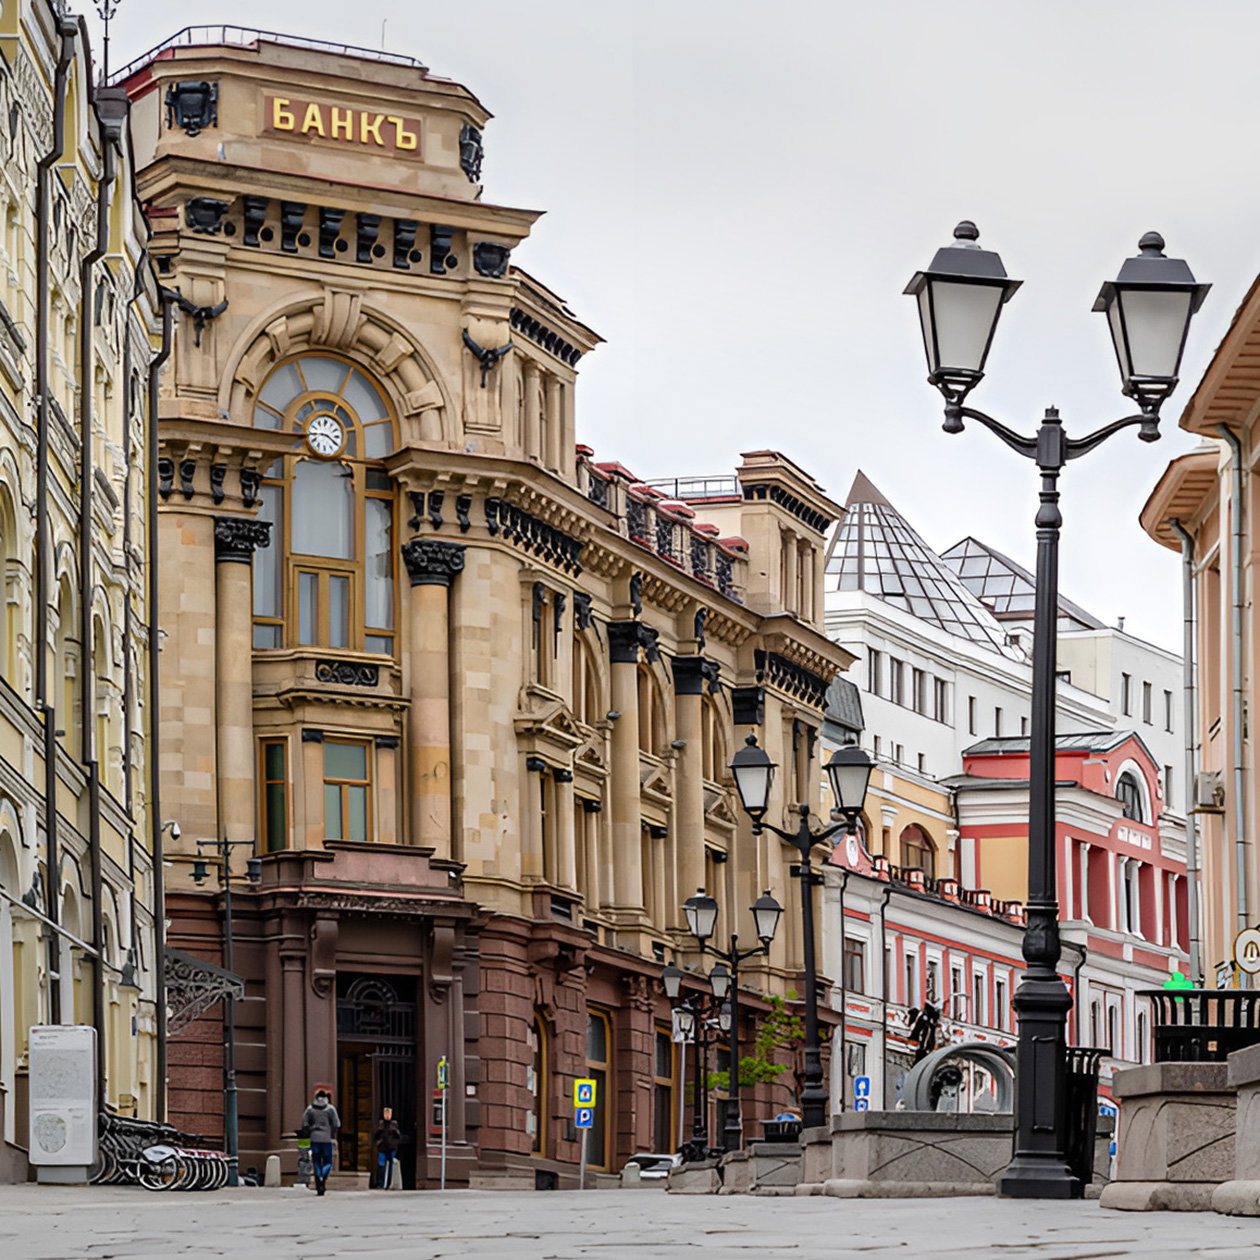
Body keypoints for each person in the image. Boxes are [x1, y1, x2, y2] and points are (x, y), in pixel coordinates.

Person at [301, 1089, 341, 1196]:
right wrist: (332, 1134)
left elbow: (304, 1123)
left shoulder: (310, 1109)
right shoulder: (330, 1109)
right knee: (328, 1162)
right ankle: (323, 1175)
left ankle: (318, 1176)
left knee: (316, 1161)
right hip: (326, 1139)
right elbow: (336, 1124)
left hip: (314, 1138)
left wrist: (310, 1131)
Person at [374, 1106, 402, 1189]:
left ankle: (389, 1183)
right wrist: (378, 1142)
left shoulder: (394, 1124)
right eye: (385, 1113)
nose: (387, 1115)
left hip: (391, 1147)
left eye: (388, 1113)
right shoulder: (381, 1124)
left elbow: (398, 1136)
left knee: (390, 1165)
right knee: (381, 1164)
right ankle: (381, 1183)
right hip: (382, 1147)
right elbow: (377, 1135)